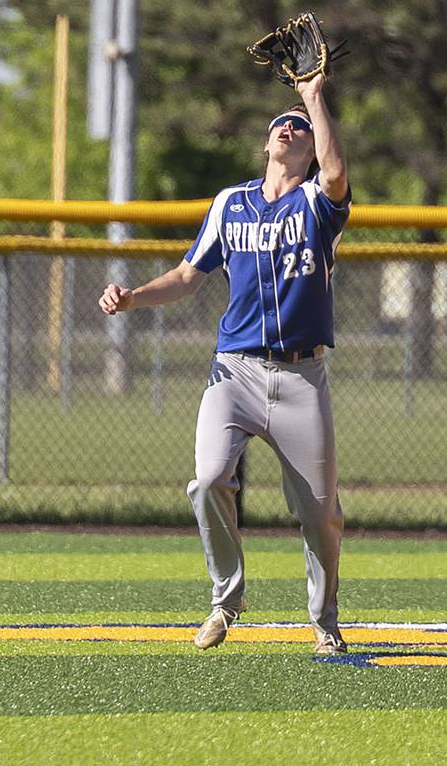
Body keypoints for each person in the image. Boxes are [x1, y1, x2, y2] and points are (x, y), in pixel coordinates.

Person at [98, 72, 350, 655]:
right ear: (267, 144)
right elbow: (189, 276)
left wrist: (315, 97)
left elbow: (337, 176)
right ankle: (225, 601)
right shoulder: (229, 204)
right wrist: (134, 296)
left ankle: (324, 620)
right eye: (281, 125)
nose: (290, 128)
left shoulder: (318, 203)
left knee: (319, 514)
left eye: (302, 128)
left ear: (312, 149)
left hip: (301, 376)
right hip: (232, 371)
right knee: (208, 478)